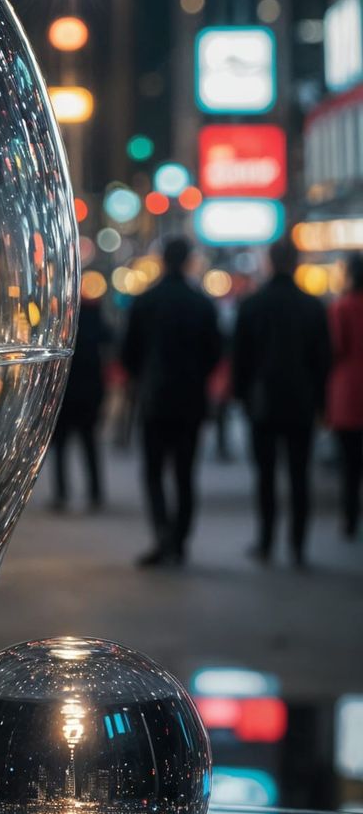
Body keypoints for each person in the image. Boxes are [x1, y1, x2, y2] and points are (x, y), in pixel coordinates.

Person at [121, 237, 222, 567]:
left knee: (153, 472)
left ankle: (162, 536)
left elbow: (129, 354)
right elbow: (214, 353)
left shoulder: (145, 301)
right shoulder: (202, 304)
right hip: (191, 400)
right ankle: (179, 542)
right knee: (185, 473)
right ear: (189, 260)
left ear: (162, 260)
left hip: (155, 398)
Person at [234, 239, 332, 566]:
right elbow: (323, 360)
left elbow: (241, 359)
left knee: (265, 475)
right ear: (296, 262)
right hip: (301, 402)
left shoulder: (252, 305)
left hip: (262, 402)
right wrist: (320, 400)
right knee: (299, 475)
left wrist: (241, 396)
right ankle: (298, 546)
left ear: (270, 262)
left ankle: (265, 541)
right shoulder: (312, 306)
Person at [51, 294, 109, 510]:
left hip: (66, 395)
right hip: (89, 395)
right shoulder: (96, 325)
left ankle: (61, 494)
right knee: (90, 444)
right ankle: (95, 493)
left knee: (61, 447)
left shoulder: (63, 328)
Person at [329, 253, 363, 542]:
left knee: (350, 464)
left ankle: (350, 518)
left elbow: (335, 347)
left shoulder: (341, 308)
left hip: (348, 396)